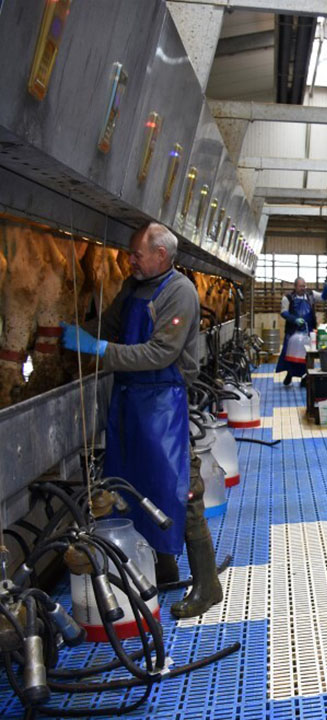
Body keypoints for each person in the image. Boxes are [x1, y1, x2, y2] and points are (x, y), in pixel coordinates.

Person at [60, 222, 222, 619]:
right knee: (132, 488)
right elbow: (110, 329)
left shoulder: (179, 291)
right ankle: (163, 568)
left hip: (163, 403)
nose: (130, 259)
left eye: (137, 254)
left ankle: (207, 585)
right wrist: (64, 336)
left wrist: (99, 350)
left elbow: (158, 354)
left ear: (161, 255)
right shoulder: (133, 288)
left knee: (183, 486)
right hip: (129, 400)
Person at [276, 273, 327, 386]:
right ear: (295, 287)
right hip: (292, 332)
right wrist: (294, 319)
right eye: (301, 286)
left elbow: (324, 297)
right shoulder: (288, 298)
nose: (303, 288)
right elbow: (283, 312)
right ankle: (290, 374)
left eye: (304, 286)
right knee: (289, 354)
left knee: (307, 356)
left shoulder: (310, 295)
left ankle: (305, 377)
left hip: (308, 332)